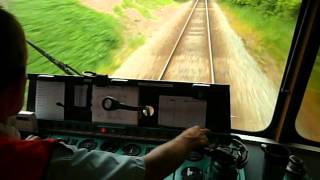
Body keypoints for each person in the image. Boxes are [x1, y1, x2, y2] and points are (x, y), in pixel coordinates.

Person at [0, 7, 209, 180]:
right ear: (18, 86)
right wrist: (188, 139)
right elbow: (146, 170)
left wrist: (20, 145)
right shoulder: (35, 160)